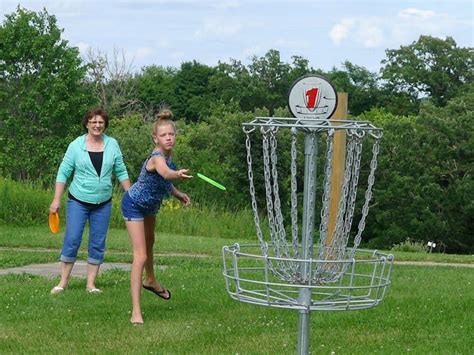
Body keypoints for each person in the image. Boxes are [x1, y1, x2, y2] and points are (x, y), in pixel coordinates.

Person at [121, 109, 191, 325]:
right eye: (163, 135)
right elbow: (164, 173)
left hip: (150, 207)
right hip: (133, 204)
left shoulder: (169, 158)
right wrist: (176, 174)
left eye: (171, 134)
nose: (168, 138)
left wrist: (178, 194)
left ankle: (150, 280)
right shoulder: (157, 157)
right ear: (155, 138)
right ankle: (136, 312)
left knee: (151, 242)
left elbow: (164, 183)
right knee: (140, 256)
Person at [50, 108, 130, 294]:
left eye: (101, 122)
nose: (97, 125)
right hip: (78, 200)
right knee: (72, 239)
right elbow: (63, 172)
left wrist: (131, 193)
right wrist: (56, 199)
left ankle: (91, 285)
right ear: (86, 124)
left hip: (103, 202)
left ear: (105, 125)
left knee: (97, 242)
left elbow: (121, 171)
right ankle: (62, 283)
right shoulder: (76, 145)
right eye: (93, 122)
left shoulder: (112, 144)